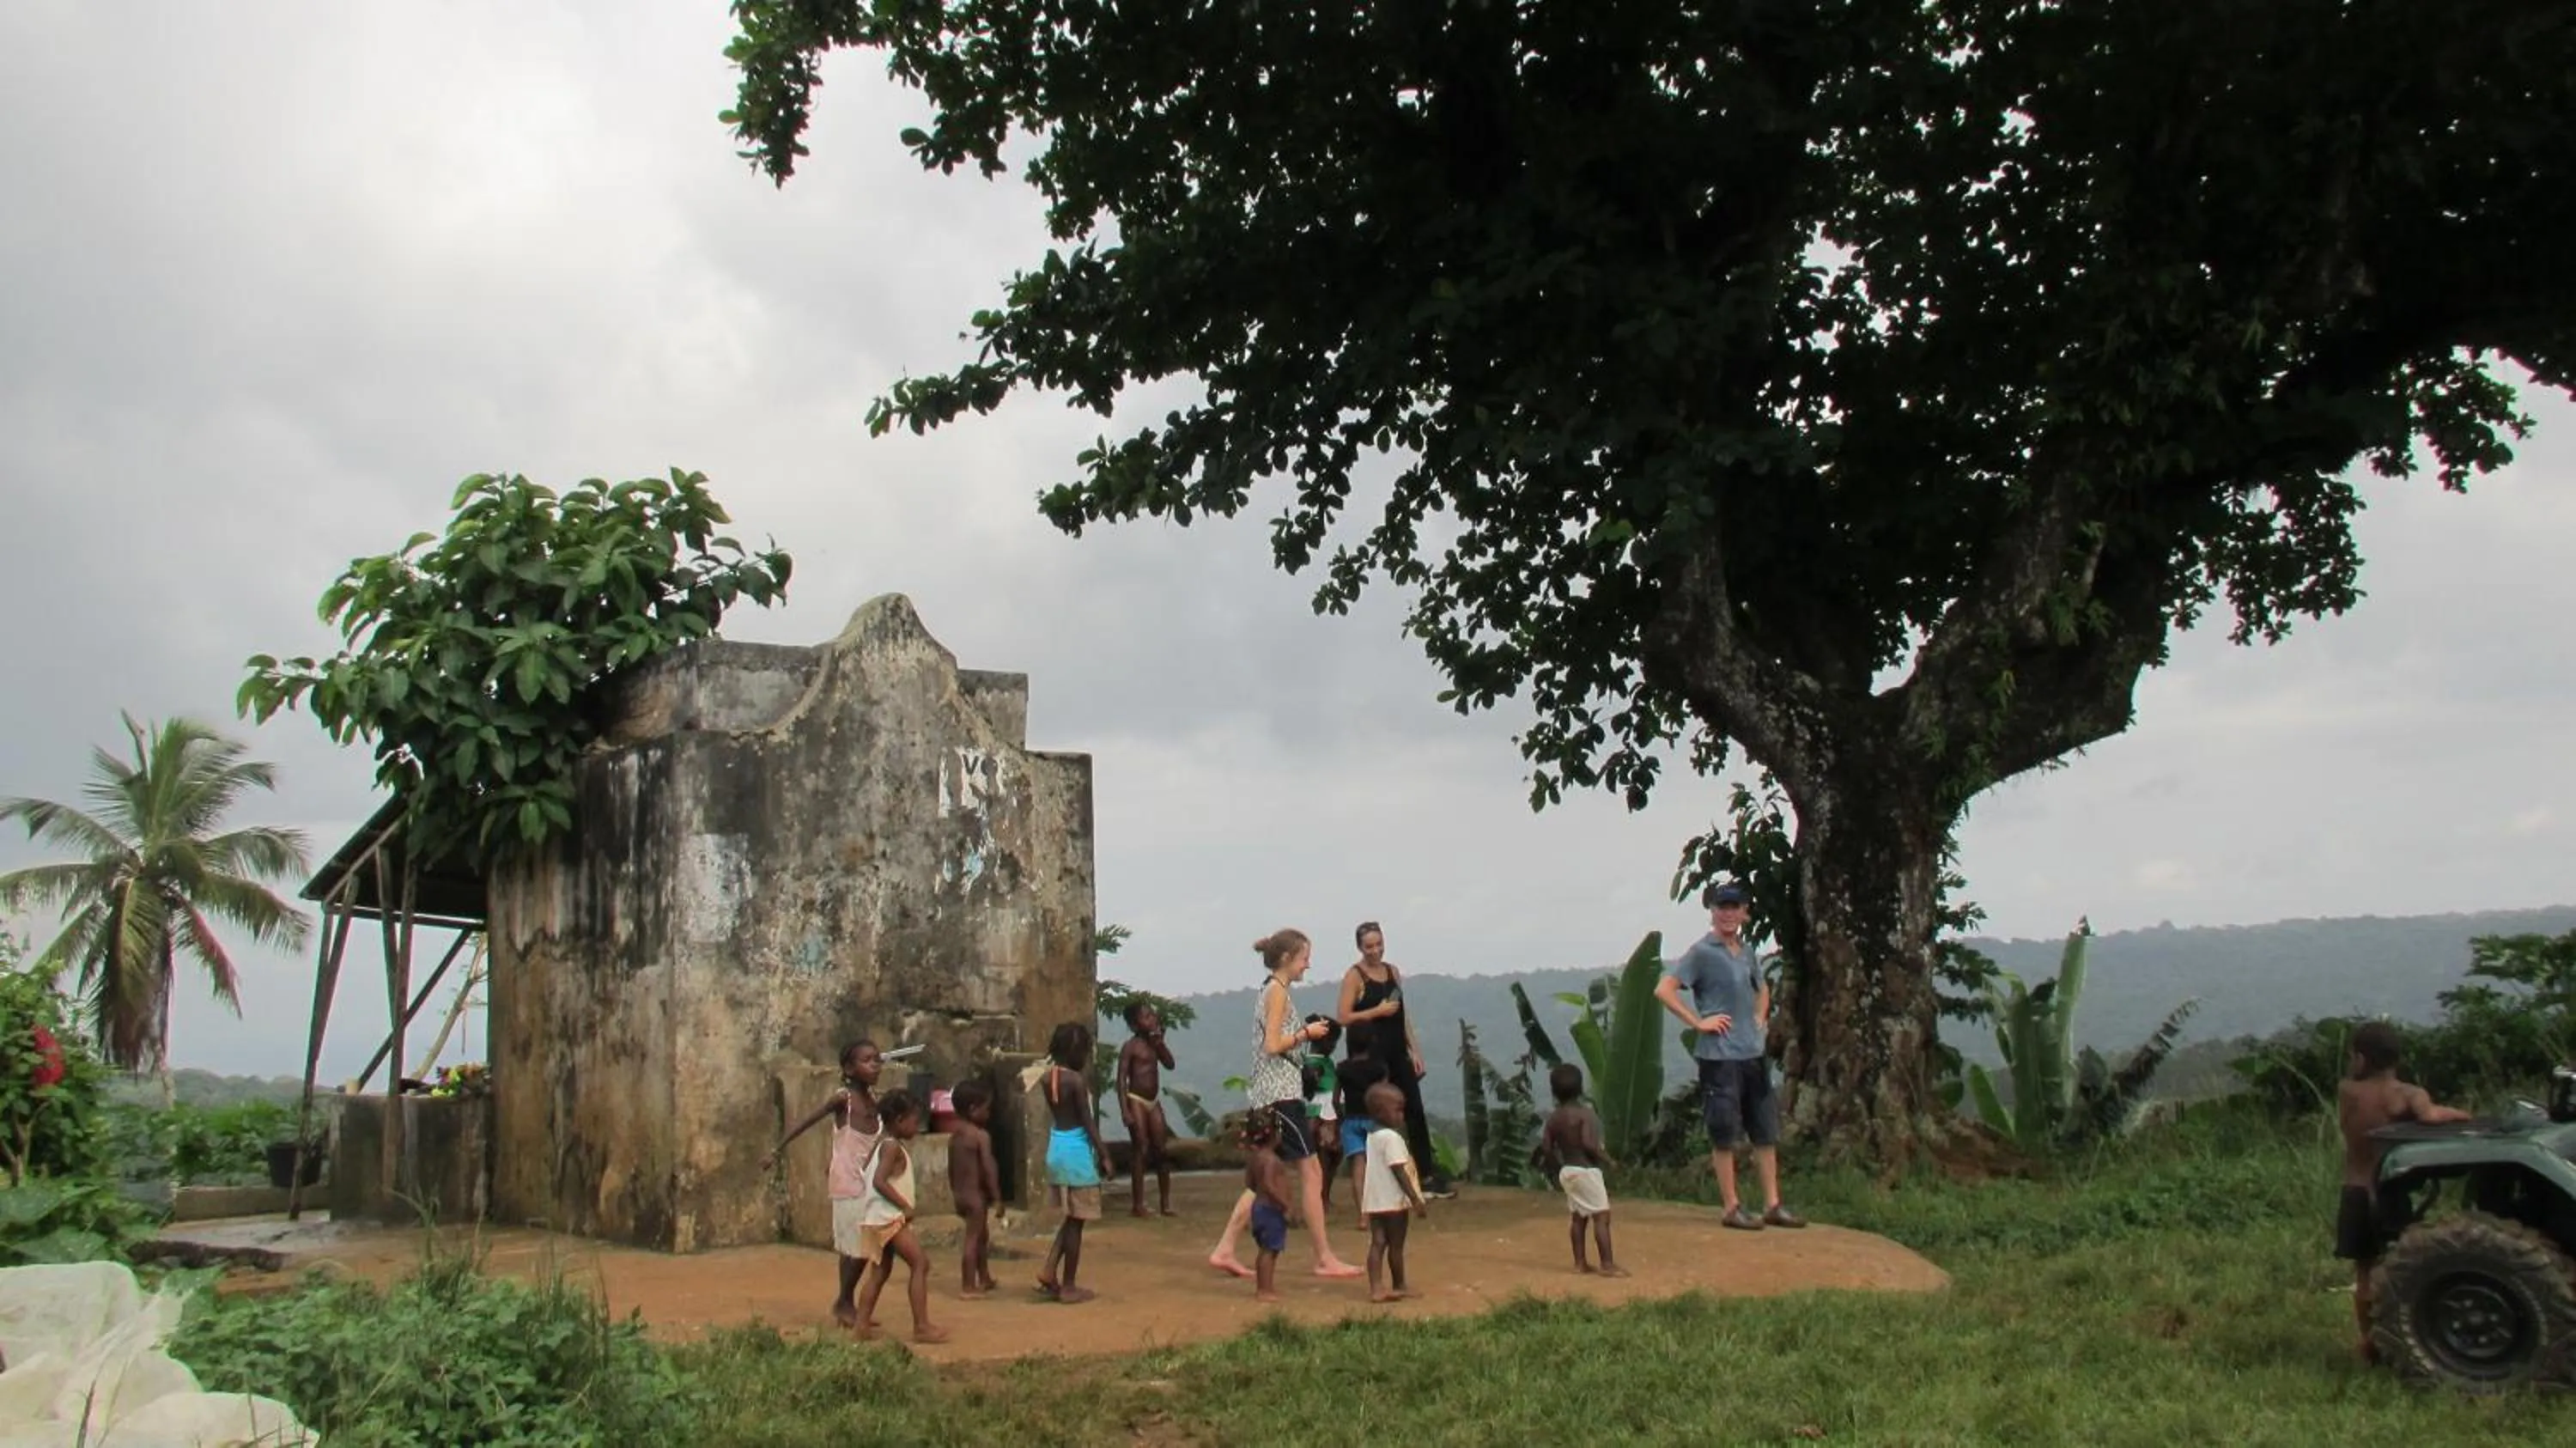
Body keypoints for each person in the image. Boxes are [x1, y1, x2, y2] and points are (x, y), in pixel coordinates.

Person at [1207, 929, 1365, 1280]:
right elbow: (1273, 1044)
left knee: (1263, 1177)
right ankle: (1324, 1256)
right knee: (1312, 1172)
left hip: (1270, 1094)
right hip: (1281, 1095)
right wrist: (1306, 1035)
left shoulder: (1271, 989)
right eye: (1304, 957)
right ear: (1287, 959)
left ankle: (1226, 1247)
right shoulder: (1277, 992)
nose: (1307, 964)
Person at [1656, 881, 1805, 1231]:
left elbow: (1762, 987)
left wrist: (1760, 1018)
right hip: (1719, 1056)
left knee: (1765, 1131)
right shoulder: (1702, 952)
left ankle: (1772, 1204)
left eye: (1734, 907)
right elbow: (1664, 989)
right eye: (1722, 907)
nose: (1728, 913)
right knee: (1725, 1132)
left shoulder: (1747, 951)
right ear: (1713, 912)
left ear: (1744, 912)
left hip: (1751, 1052)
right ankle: (1731, 1206)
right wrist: (1698, 1022)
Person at [2337, 1020, 2470, 1360]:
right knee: (2399, 1264)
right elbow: (2431, 1117)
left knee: (2364, 1272)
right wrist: (2461, 1114)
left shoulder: (2347, 1092)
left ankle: (2369, 1342)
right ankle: (2405, 1334)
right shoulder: (2408, 1094)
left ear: (2361, 1059)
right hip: (2389, 1191)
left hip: (2355, 1189)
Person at [763, 1039, 884, 1329]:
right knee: (857, 1247)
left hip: (869, 1182)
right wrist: (776, 1150)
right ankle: (844, 1301)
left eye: (878, 1060)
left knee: (861, 1246)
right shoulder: (843, 1099)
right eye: (867, 1060)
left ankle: (845, 1302)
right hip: (847, 1182)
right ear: (849, 1068)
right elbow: (806, 1122)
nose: (875, 1065)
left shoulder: (876, 1101)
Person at [1337, 922, 1456, 1198]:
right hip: (1370, 1054)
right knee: (1376, 1114)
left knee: (1413, 1108)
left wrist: (1415, 1050)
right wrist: (1376, 1011)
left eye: (1379, 945)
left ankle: (1426, 1175)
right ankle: (1383, 1180)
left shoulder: (1392, 973)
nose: (1375, 951)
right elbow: (1343, 1017)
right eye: (1369, 946)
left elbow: (1403, 1015)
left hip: (1397, 1050)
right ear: (1360, 948)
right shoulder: (1354, 977)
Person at [848, 1091, 949, 1342]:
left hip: (874, 1218)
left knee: (879, 1273)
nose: (918, 1127)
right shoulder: (892, 1147)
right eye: (914, 1121)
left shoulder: (881, 1143)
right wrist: (904, 1206)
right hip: (888, 1219)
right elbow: (879, 1181)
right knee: (920, 1264)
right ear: (900, 1120)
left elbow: (865, 1172)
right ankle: (921, 1326)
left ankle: (861, 1325)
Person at [1039, 1021, 1111, 1303]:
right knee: (1078, 1221)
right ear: (1075, 1052)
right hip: (1078, 1155)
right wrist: (1104, 1154)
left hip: (1057, 1147)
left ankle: (1049, 1269)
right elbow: (1087, 1122)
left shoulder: (1049, 1078)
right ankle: (1069, 1285)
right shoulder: (1076, 1082)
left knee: (1071, 1218)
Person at [1532, 1062, 1625, 1275]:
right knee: (1601, 1216)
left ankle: (1580, 1263)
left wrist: (1557, 1170)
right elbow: (1588, 1144)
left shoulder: (1554, 1118)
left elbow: (1547, 1148)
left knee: (1578, 1217)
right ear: (1581, 1089)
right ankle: (1607, 1264)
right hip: (1586, 1171)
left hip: (1568, 1172)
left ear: (1554, 1092)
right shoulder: (1586, 1114)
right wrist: (1609, 1160)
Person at [1360, 1080, 1429, 1302]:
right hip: (1394, 1202)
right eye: (1398, 1110)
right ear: (1381, 1112)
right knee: (1396, 1246)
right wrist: (1415, 1199)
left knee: (1378, 1242)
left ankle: (1376, 1288)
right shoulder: (1392, 1138)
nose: (1402, 1115)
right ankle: (1399, 1284)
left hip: (1375, 1200)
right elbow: (1400, 1171)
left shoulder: (1372, 1136)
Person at [1118, 1001, 1179, 1217]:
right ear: (1135, 1025)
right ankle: (1138, 1204)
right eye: (1146, 1017)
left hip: (1153, 1101)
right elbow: (1121, 1080)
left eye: (1152, 1015)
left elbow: (1170, 1064)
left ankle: (1166, 1203)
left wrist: (1160, 1044)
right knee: (1141, 1149)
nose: (1152, 1019)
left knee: (1162, 1150)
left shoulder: (1155, 1045)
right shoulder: (1130, 1047)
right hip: (1136, 1099)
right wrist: (1125, 1110)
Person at [946, 1079, 1002, 1298]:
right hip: (975, 1197)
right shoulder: (980, 1136)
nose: (989, 1114)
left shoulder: (955, 1136)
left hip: (960, 1195)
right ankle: (968, 1285)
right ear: (973, 1109)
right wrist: (997, 1197)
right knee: (973, 1239)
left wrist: (955, 1192)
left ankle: (985, 1276)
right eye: (987, 1109)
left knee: (981, 1236)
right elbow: (989, 1168)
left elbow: (951, 1167)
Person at [1241, 1107, 1294, 1304]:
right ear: (1275, 1135)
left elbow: (1250, 1183)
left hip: (1259, 1208)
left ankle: (1265, 1287)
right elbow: (1269, 1185)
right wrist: (1285, 1205)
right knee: (1269, 1252)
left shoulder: (1255, 1159)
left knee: (1265, 1250)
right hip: (1271, 1210)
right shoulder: (1271, 1160)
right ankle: (1264, 1289)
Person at [1335, 1041, 1389, 1231]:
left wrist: (1340, 1117)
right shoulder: (1379, 1067)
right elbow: (1385, 1095)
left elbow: (1336, 1099)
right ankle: (1381, 1210)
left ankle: (1363, 1216)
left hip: (1351, 1121)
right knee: (1379, 1166)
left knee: (1358, 1168)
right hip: (1373, 1121)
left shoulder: (1342, 1068)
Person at [1303, 1013, 1345, 1207]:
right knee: (1326, 1156)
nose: (1335, 1046)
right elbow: (1310, 1088)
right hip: (1322, 1111)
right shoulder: (1313, 1063)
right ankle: (1322, 1196)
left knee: (1330, 1156)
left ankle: (1324, 1195)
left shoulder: (1323, 1060)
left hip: (1326, 1109)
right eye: (1333, 1042)